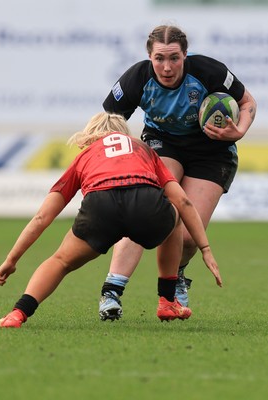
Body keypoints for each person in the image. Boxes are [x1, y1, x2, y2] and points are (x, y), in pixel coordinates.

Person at [0, 112, 222, 328]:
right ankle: (167, 300)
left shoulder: (85, 155)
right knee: (175, 216)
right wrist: (205, 248)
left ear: (90, 135)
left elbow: (42, 217)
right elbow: (184, 202)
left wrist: (11, 259)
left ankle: (18, 313)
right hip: (145, 204)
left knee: (61, 261)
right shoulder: (144, 149)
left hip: (100, 207)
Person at [98, 24, 257, 320]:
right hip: (163, 143)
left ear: (186, 55)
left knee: (186, 236)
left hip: (212, 152)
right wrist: (124, 153)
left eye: (174, 58)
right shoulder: (137, 78)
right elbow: (109, 122)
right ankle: (112, 291)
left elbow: (248, 102)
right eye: (159, 58)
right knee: (149, 209)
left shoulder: (208, 71)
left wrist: (239, 131)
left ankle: (178, 275)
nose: (167, 67)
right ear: (149, 56)